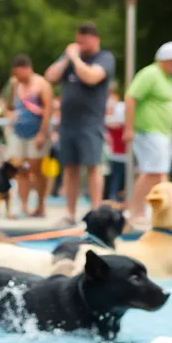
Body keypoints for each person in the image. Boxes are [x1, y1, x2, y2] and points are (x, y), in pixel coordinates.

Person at [43, 22, 117, 225]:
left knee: (93, 167)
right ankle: (69, 212)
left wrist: (75, 58)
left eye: (83, 42)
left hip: (91, 123)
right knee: (70, 168)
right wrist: (67, 57)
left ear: (95, 39)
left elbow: (91, 77)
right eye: (78, 42)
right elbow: (50, 76)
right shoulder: (70, 59)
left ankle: (96, 211)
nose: (80, 45)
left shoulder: (104, 58)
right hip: (68, 123)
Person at [124, 42, 172, 226]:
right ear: (167, 59)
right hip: (148, 131)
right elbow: (131, 97)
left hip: (162, 132)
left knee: (160, 175)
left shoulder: (168, 79)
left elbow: (165, 105)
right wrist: (128, 128)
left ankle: (152, 212)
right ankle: (134, 211)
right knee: (152, 172)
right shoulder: (150, 73)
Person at [5, 54, 54, 217]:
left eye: (19, 73)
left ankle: (41, 204)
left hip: (36, 133)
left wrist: (42, 134)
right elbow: (9, 106)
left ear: (26, 69)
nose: (17, 77)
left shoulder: (41, 85)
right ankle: (24, 205)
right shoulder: (15, 85)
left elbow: (48, 110)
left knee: (37, 170)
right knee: (20, 170)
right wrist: (10, 115)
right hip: (19, 132)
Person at [105, 83, 127, 202]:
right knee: (114, 174)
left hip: (121, 148)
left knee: (119, 174)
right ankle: (113, 195)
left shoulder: (120, 106)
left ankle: (116, 195)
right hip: (113, 148)